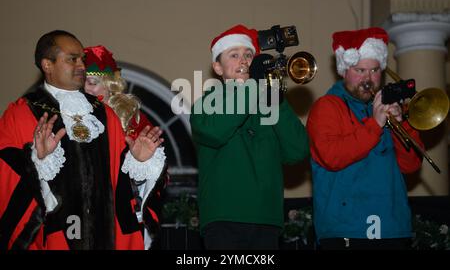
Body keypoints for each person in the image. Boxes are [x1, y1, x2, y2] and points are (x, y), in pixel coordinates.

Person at [0, 30, 166, 250]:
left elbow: (119, 187)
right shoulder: (21, 114)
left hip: (106, 236)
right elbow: (7, 177)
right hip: (55, 235)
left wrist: (139, 163)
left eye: (82, 59)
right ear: (47, 65)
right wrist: (37, 162)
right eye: (72, 59)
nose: (81, 65)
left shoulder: (104, 114)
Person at [190, 24, 310, 250]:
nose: (243, 61)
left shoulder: (269, 103)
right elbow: (215, 132)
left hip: (266, 218)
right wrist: (252, 88)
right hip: (223, 218)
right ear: (218, 67)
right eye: (233, 55)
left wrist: (278, 100)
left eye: (248, 55)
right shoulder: (206, 104)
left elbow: (298, 150)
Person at [306, 27, 423, 250]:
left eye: (374, 70)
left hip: (392, 228)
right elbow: (332, 157)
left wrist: (402, 124)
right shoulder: (327, 107)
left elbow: (412, 165)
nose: (368, 79)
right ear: (344, 70)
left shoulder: (385, 105)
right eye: (360, 70)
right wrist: (375, 125)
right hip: (346, 229)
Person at [83, 45, 168, 248]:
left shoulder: (132, 119)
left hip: (117, 211)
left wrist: (140, 161)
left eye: (92, 82)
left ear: (109, 85)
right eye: (81, 83)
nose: (86, 89)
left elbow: (156, 176)